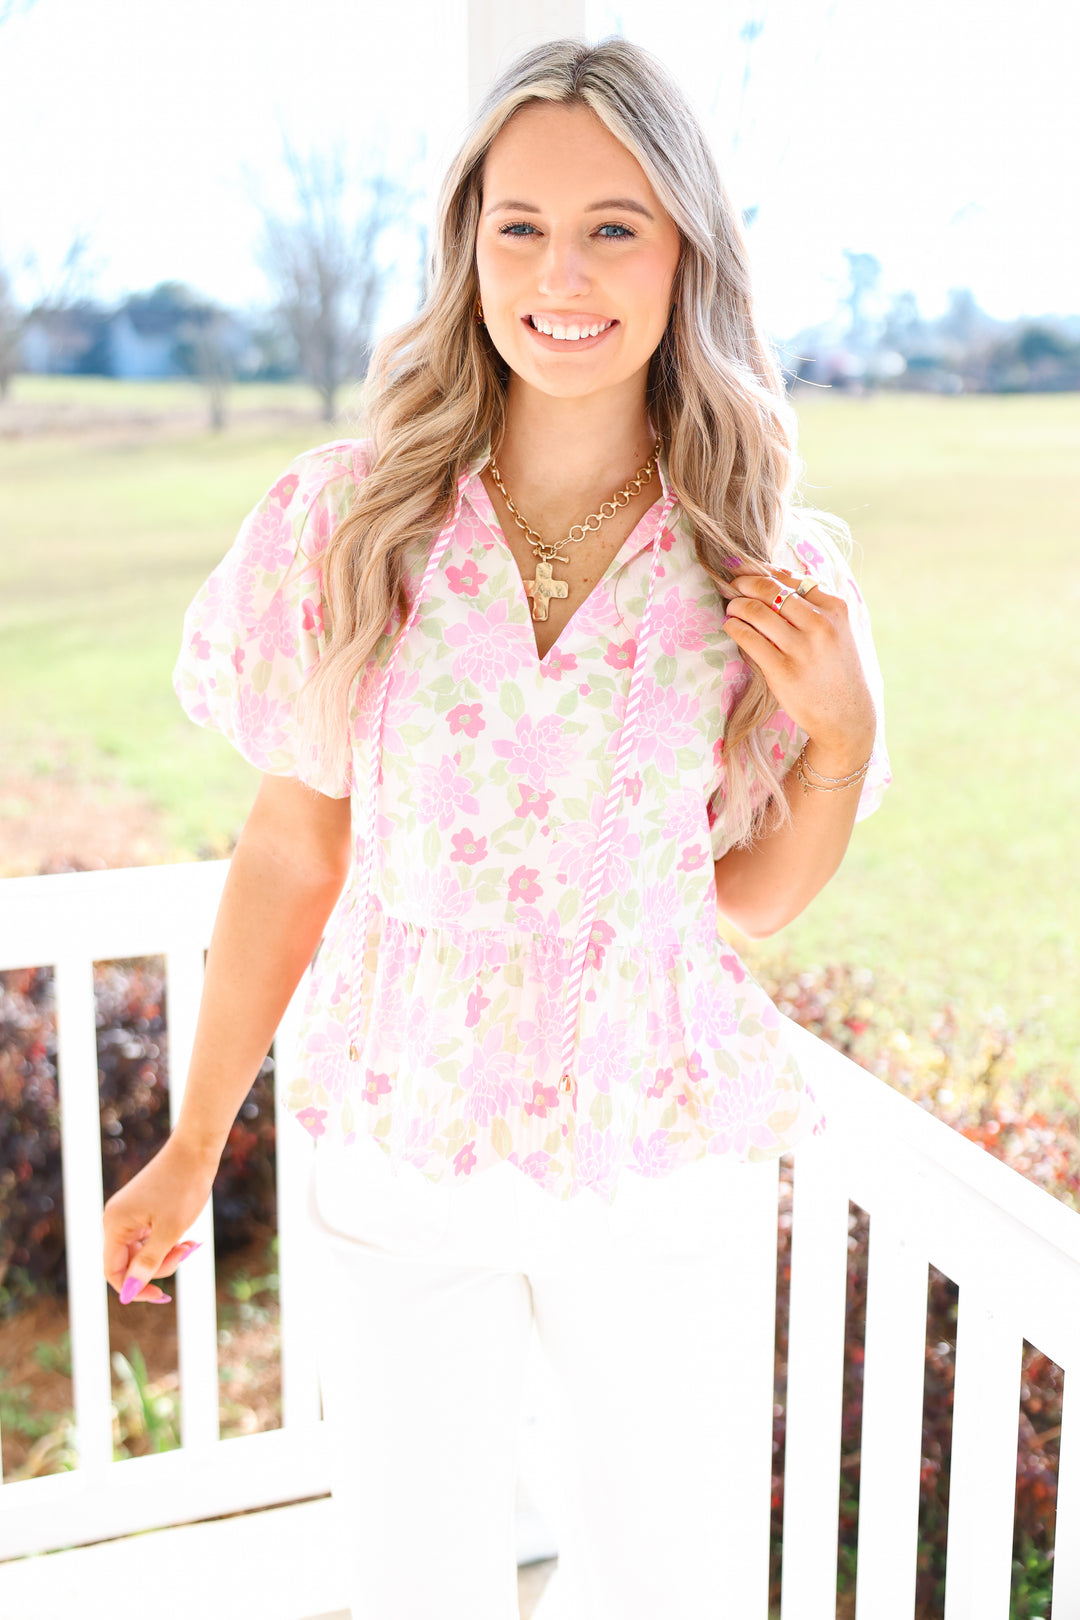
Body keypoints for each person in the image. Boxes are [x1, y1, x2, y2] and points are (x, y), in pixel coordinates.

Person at [102, 34, 890, 1620]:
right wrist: (193, 1145)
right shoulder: (351, 519)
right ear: (469, 244)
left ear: (686, 254)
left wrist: (844, 726)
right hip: (399, 1141)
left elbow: (751, 902)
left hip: (661, 1151)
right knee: (411, 1583)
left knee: (673, 1586)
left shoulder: (760, 558)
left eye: (615, 224)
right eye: (518, 223)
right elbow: (291, 851)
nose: (561, 270)